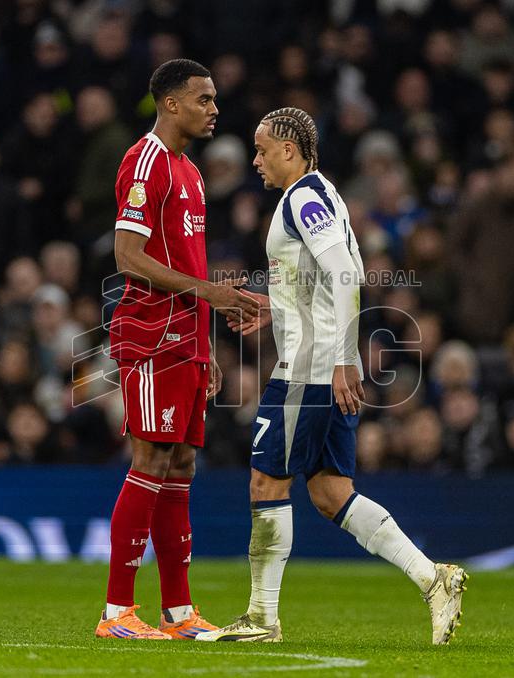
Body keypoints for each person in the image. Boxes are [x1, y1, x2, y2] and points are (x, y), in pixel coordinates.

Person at [196, 108, 467, 646]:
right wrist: (275, 307)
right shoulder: (322, 194)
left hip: (310, 369)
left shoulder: (301, 198)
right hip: (323, 363)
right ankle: (433, 578)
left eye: (262, 150)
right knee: (330, 492)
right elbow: (330, 276)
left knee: (266, 483)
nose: (256, 161)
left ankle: (262, 618)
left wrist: (343, 359)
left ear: (289, 150)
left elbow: (345, 273)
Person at [95, 59, 260, 641]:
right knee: (150, 460)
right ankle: (117, 612)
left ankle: (177, 612)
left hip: (187, 339)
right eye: (203, 99)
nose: (214, 109)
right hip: (150, 334)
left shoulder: (190, 171)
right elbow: (127, 256)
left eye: (214, 99)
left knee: (181, 465)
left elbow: (187, 261)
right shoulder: (145, 162)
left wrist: (205, 343)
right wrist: (210, 294)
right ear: (170, 103)